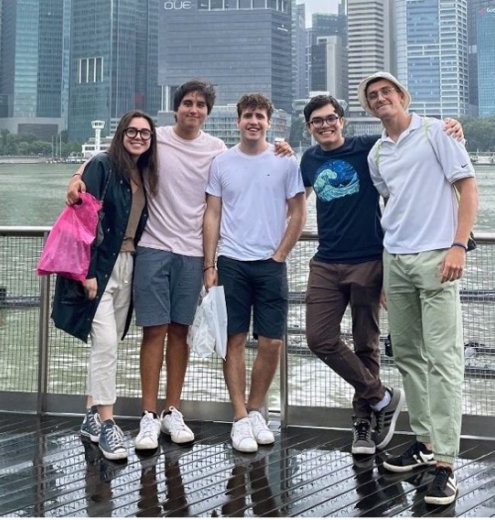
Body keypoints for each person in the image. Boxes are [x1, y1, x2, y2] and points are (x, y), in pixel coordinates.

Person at [67, 80, 293, 452]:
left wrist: (281, 149)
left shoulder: (217, 150)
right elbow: (111, 156)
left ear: (208, 111)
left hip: (192, 253)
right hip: (153, 248)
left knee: (181, 332)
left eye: (201, 105)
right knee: (153, 332)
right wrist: (77, 176)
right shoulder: (156, 138)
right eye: (187, 103)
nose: (194, 109)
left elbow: (241, 177)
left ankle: (173, 410)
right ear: (176, 108)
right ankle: (148, 415)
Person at [299, 95, 464, 457]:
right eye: (316, 122)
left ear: (342, 120)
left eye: (331, 118)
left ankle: (363, 425)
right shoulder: (308, 159)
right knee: (319, 338)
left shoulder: (367, 148)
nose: (325, 125)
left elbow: (407, 139)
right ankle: (382, 398)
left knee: (366, 344)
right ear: (308, 128)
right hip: (326, 262)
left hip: (370, 260)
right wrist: (278, 150)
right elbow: (291, 195)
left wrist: (452, 128)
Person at [360, 71, 478, 506]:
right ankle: (426, 441)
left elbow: (467, 188)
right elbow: (391, 200)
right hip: (396, 260)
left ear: (402, 96)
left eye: (386, 92)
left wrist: (458, 245)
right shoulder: (377, 153)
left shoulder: (436, 133)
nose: (379, 99)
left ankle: (445, 462)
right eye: (372, 96)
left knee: (444, 359)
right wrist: (389, 269)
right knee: (408, 354)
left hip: (437, 256)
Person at [203, 93, 306, 453]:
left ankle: (257, 409)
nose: (253, 121)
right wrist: (209, 263)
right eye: (248, 115)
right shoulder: (221, 163)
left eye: (260, 116)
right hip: (231, 262)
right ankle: (239, 417)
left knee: (272, 342)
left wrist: (281, 253)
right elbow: (212, 214)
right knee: (232, 340)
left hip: (271, 264)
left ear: (268, 122)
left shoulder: (285, 162)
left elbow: (298, 211)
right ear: (238, 121)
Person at [53, 110, 157, 461]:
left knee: (108, 344)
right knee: (107, 344)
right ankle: (108, 423)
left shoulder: (143, 170)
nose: (139, 137)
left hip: (129, 263)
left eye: (145, 132)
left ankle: (90, 416)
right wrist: (86, 271)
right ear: (120, 133)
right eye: (132, 131)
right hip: (101, 266)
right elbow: (84, 219)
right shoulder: (102, 165)